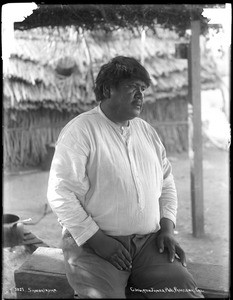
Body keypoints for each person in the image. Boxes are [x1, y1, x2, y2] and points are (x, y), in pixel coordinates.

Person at [47, 56, 204, 298]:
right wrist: (99, 241)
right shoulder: (80, 132)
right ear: (108, 89)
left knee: (183, 290)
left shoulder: (146, 132)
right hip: (92, 247)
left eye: (142, 89)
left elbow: (167, 183)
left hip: (148, 245)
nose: (140, 95)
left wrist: (166, 229)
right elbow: (60, 194)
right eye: (132, 87)